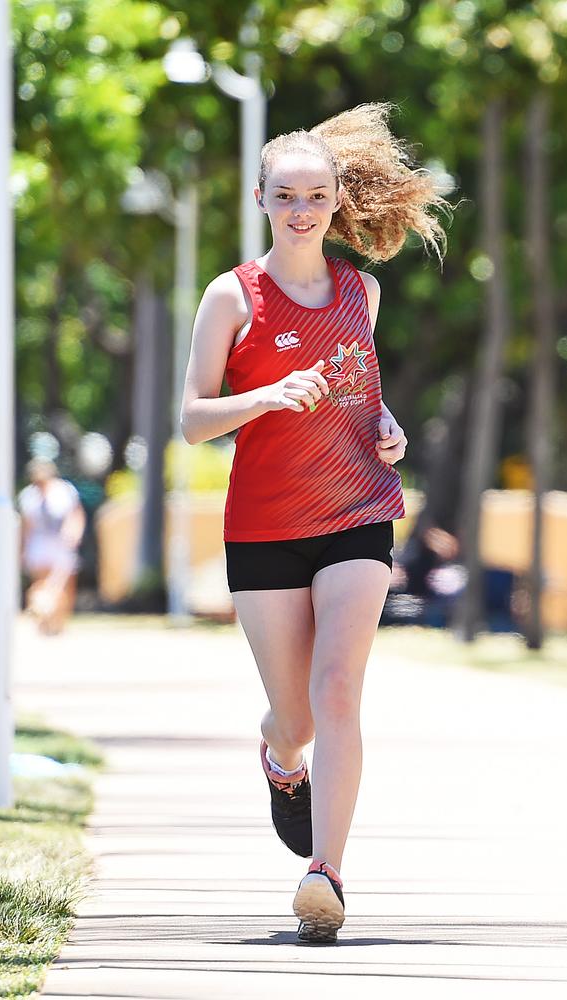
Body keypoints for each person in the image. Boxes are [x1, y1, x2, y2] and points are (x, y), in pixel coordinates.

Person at [181, 103, 446, 943]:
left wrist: (388, 426)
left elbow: (357, 391)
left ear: (337, 201)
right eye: (286, 195)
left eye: (317, 195)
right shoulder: (233, 295)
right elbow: (191, 418)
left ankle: (324, 873)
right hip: (263, 526)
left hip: (357, 512)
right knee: (295, 717)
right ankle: (279, 757)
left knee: (340, 688)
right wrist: (260, 397)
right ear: (261, 198)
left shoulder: (359, 290)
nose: (302, 209)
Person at [18, 458, 86, 635]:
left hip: (61, 543)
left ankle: (59, 621)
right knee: (41, 583)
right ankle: (43, 619)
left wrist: (74, 534)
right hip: (39, 544)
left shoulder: (64, 491)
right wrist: (23, 548)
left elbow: (76, 514)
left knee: (63, 585)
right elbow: (27, 525)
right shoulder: (29, 496)